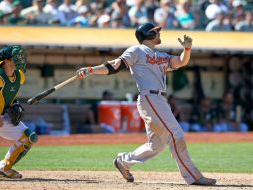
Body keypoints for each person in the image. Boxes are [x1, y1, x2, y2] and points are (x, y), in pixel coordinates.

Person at [76, 22, 216, 186]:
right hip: (150, 98)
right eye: (156, 31)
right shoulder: (136, 50)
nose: (159, 33)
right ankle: (194, 176)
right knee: (176, 134)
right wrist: (91, 69)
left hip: (159, 100)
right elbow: (115, 66)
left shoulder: (162, 55)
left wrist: (187, 49)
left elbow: (181, 62)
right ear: (148, 35)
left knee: (155, 145)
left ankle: (123, 162)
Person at [0, 46, 38, 178]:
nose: (20, 60)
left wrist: (15, 103)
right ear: (7, 60)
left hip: (3, 115)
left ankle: (4, 168)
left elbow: (10, 93)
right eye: (17, 57)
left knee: (29, 137)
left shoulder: (19, 76)